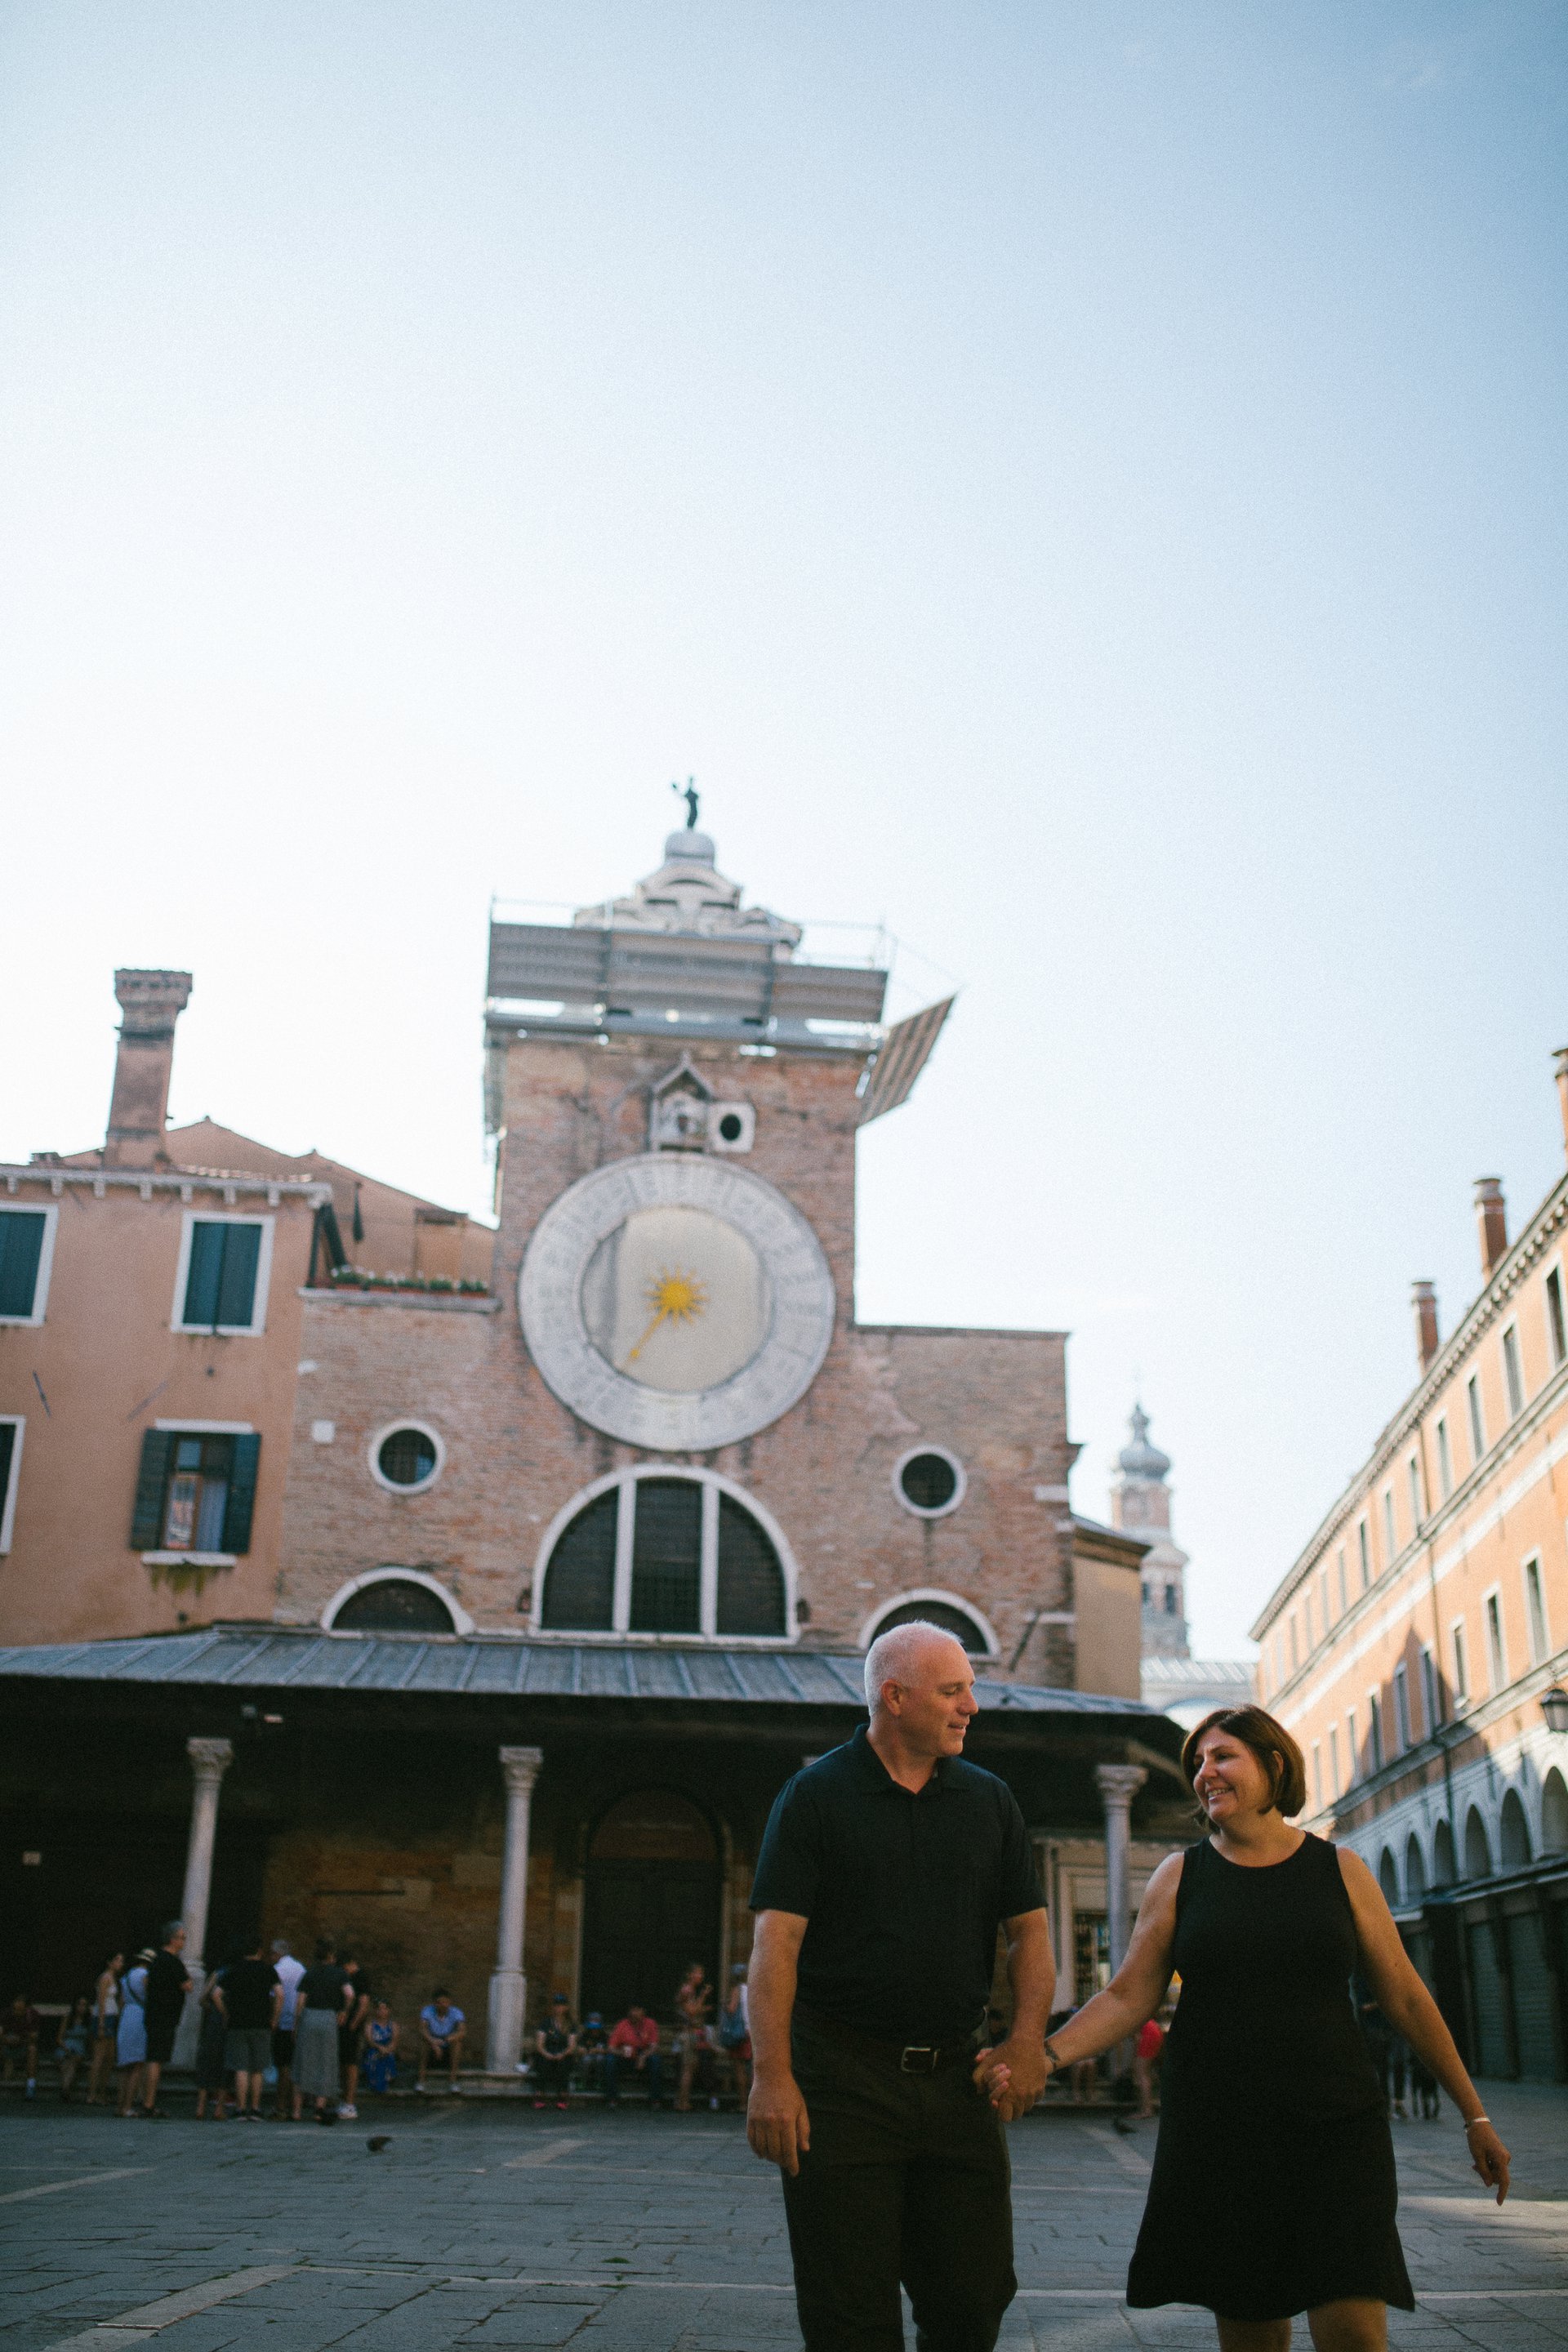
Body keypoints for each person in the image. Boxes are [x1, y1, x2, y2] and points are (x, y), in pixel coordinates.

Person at [1033, 1704, 1512, 2351]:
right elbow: (1126, 1996)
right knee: (1253, 2334)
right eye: (1197, 1762)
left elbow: (1405, 1996)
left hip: (1336, 2128)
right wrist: (1045, 2056)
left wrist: (1474, 2115)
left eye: (1222, 1756)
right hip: (1224, 2133)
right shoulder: (1181, 1875)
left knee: (1355, 2335)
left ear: (1275, 1764)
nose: (1206, 1773)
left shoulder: (1341, 1869)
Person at [747, 1619, 1054, 2352]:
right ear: (895, 1697)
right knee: (848, 2314)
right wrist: (772, 2076)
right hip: (843, 2086)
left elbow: (1032, 1934)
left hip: (959, 2083)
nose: (970, 1707)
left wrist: (1028, 2039)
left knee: (973, 2301)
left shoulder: (991, 1801)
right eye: (953, 1691)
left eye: (970, 1690)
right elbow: (775, 1944)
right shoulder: (814, 1796)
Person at [216, 1936, 282, 2119]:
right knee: (258, 2068)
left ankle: (240, 2109)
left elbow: (216, 1994)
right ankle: (255, 2109)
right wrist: (274, 2018)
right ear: (259, 1951)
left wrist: (226, 2013)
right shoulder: (268, 1970)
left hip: (237, 2023)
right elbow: (279, 1994)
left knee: (240, 2067)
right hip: (261, 2023)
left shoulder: (233, 1970)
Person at [293, 1940, 349, 2123]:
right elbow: (349, 1994)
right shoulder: (340, 1973)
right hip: (328, 2018)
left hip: (309, 2016)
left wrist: (297, 2023)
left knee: (304, 2061)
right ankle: (319, 2109)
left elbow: (300, 2001)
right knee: (326, 2062)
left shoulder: (309, 1973)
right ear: (331, 1956)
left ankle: (297, 2111)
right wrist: (343, 2010)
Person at [140, 1921, 192, 2118]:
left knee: (152, 2057)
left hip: (153, 2013)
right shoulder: (173, 1961)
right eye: (182, 1938)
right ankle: (149, 2103)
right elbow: (187, 1985)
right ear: (173, 1939)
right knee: (157, 2059)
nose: (184, 1942)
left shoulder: (155, 1959)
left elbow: (146, 1982)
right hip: (166, 2015)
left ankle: (146, 2100)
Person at [270, 1938, 305, 2121]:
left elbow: (275, 1996)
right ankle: (295, 2106)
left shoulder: (277, 1970)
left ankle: (281, 2106)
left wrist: (272, 2019)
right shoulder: (301, 1968)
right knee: (294, 2065)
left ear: (277, 1953)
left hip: (282, 2022)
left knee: (283, 2065)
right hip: (297, 2023)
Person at [673, 1962, 715, 2112]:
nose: (701, 1976)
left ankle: (682, 2100)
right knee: (687, 2069)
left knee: (689, 2068)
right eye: (698, 1973)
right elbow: (692, 2012)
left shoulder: (689, 1990)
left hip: (689, 2032)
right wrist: (703, 1996)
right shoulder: (687, 1990)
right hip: (688, 2033)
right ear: (690, 1975)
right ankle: (682, 2103)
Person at [115, 1952, 151, 2115]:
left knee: (124, 2065)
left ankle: (120, 2105)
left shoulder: (126, 1977)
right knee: (137, 2064)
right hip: (139, 2014)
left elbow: (121, 2001)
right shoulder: (145, 1975)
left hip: (126, 2015)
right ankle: (128, 2106)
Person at [605, 2004, 663, 2107]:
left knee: (656, 2060)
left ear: (643, 2012)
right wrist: (621, 2052)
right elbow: (611, 2047)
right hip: (626, 2058)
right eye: (632, 2010)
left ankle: (655, 2099)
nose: (634, 2013)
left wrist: (643, 2056)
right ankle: (612, 2098)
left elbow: (654, 2046)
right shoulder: (622, 2024)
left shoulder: (650, 2023)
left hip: (643, 2057)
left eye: (637, 2010)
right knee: (610, 2060)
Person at [193, 1969, 231, 2120]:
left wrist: (212, 2010)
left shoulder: (216, 1973)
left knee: (206, 2062)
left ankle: (200, 2108)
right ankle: (219, 2109)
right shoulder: (233, 1973)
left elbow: (203, 1999)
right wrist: (226, 2013)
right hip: (227, 2023)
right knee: (225, 2064)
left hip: (212, 2023)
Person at [336, 1957, 371, 2120]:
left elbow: (364, 2003)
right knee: (344, 2063)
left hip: (351, 2028)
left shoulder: (360, 1978)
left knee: (350, 2064)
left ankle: (349, 2103)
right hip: (346, 2027)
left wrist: (354, 2023)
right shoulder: (351, 1977)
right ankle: (345, 2101)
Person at [88, 1954, 123, 2105]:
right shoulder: (105, 1978)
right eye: (118, 1960)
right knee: (99, 2058)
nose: (120, 1964)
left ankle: (102, 2093)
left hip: (111, 2017)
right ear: (110, 1962)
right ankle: (92, 2094)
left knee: (109, 2058)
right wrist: (101, 2024)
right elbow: (101, 2001)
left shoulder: (113, 1978)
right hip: (104, 2018)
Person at [532, 1993, 577, 2109]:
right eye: (557, 2006)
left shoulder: (570, 2025)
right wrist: (547, 2054)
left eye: (561, 2006)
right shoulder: (546, 2023)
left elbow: (571, 2046)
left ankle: (563, 2095)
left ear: (566, 2007)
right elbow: (539, 2044)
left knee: (564, 2063)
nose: (559, 2008)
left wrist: (562, 2054)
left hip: (563, 2053)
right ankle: (539, 2094)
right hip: (547, 2052)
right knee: (543, 2062)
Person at [717, 1964, 751, 2108]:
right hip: (751, 2033)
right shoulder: (751, 1989)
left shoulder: (737, 1990)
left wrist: (723, 2004)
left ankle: (743, 2103)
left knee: (740, 2069)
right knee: (753, 2070)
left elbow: (731, 2009)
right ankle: (753, 2104)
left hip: (739, 2033)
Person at [417, 1990, 466, 2088]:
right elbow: (422, 2029)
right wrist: (433, 2042)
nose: (443, 2005)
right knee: (424, 2042)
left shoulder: (456, 2012)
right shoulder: (427, 2011)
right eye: (439, 2002)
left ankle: (453, 2081)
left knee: (457, 2043)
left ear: (449, 2002)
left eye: (445, 2002)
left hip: (447, 2045)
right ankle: (421, 2081)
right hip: (432, 2045)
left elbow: (462, 2032)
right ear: (435, 2003)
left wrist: (448, 2039)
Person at [1, 1996, 41, 2097]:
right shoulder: (6, 2014)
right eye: (16, 2002)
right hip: (7, 2044)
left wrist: (21, 2039)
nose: (18, 2005)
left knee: (32, 2050)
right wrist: (6, 2039)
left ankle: (30, 2085)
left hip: (24, 2045)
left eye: (21, 2002)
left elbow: (35, 2036)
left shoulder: (32, 2016)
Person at [56, 1998, 93, 2101]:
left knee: (73, 2061)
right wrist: (66, 2048)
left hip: (79, 2048)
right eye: (79, 2004)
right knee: (65, 2062)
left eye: (84, 2005)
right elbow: (59, 2038)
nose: (81, 2008)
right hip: (66, 2046)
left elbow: (89, 2040)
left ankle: (65, 2087)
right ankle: (66, 2088)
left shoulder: (88, 2021)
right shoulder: (68, 2019)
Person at [361, 2002, 399, 2095]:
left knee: (388, 2056)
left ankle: (386, 2082)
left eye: (384, 2008)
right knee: (374, 2056)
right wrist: (380, 2048)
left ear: (389, 2010)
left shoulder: (393, 2025)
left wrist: (387, 2049)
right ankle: (374, 2083)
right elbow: (370, 2041)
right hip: (374, 2049)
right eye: (379, 2009)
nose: (382, 2011)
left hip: (388, 2049)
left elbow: (394, 2042)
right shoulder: (370, 2025)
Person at [1133, 2015, 1165, 2121]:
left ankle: (1146, 2110)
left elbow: (1137, 2038)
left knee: (1142, 2074)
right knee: (1145, 2072)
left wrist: (1136, 2057)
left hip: (1148, 2036)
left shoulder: (1128, 2016)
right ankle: (1144, 2107)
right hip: (1155, 2033)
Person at [577, 2012, 609, 2098]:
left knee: (600, 2059)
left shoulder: (604, 2035)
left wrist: (598, 2050)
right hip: (587, 2056)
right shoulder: (584, 2035)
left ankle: (599, 2081)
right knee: (586, 2060)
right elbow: (579, 2048)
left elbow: (608, 2049)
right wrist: (583, 2050)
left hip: (599, 2057)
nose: (594, 2030)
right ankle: (583, 2081)